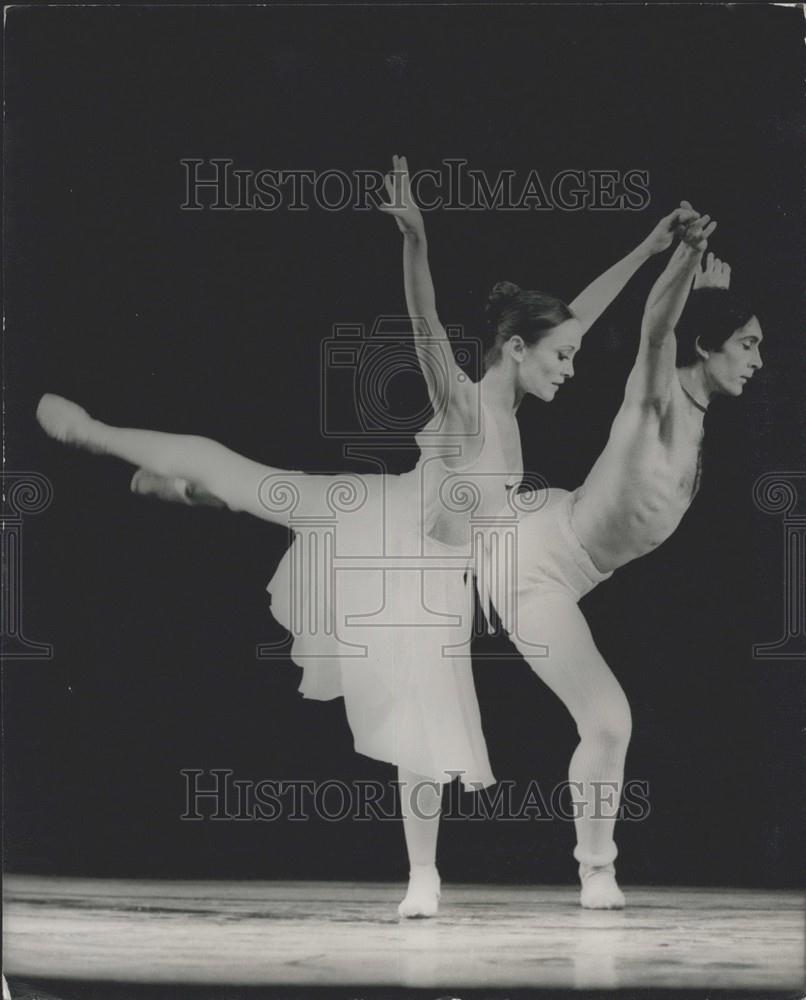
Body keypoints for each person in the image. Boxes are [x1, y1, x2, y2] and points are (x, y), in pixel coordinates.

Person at [35, 156, 696, 916]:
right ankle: (97, 435)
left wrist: (646, 252)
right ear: (515, 348)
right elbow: (422, 324)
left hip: (439, 568)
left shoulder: (512, 406)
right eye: (562, 356)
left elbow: (578, 311)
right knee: (238, 473)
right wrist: (415, 243)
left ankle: (187, 496)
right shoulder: (465, 404)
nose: (572, 369)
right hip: (383, 531)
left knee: (426, 720)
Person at [495, 214, 762, 909]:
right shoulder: (655, 399)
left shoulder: (697, 416)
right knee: (609, 721)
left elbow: (675, 325)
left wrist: (699, 289)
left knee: (610, 721)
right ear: (706, 347)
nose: (758, 360)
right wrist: (682, 260)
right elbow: (655, 331)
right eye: (747, 344)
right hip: (534, 561)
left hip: (561, 549)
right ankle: (596, 870)